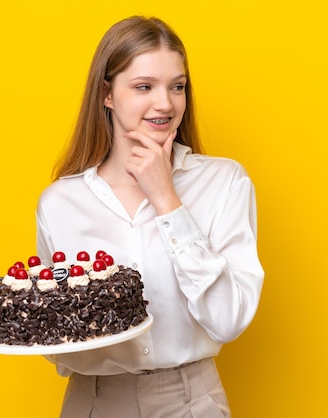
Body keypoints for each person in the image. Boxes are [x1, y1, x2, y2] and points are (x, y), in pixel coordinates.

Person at [36, 15, 264, 418]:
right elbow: (58, 328)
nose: (166, 103)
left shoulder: (224, 182)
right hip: (93, 402)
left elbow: (228, 319)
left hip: (191, 401)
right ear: (107, 94)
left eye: (177, 87)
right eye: (144, 87)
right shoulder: (59, 202)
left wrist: (166, 200)